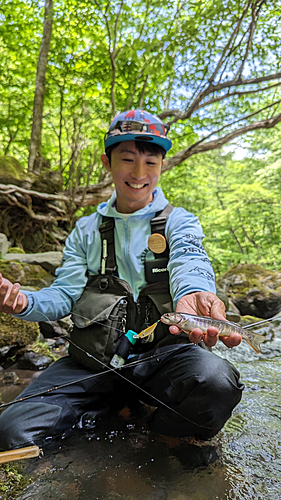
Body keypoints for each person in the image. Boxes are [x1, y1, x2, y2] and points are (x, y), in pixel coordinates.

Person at [0, 109, 244, 451]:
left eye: (151, 163)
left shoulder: (180, 222)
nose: (139, 173)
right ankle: (110, 414)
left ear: (162, 166)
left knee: (217, 382)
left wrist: (195, 291)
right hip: (93, 363)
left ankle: (162, 437)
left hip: (164, 360)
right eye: (127, 159)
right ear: (107, 162)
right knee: (12, 431)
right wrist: (24, 302)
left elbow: (191, 260)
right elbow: (63, 296)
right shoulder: (85, 230)